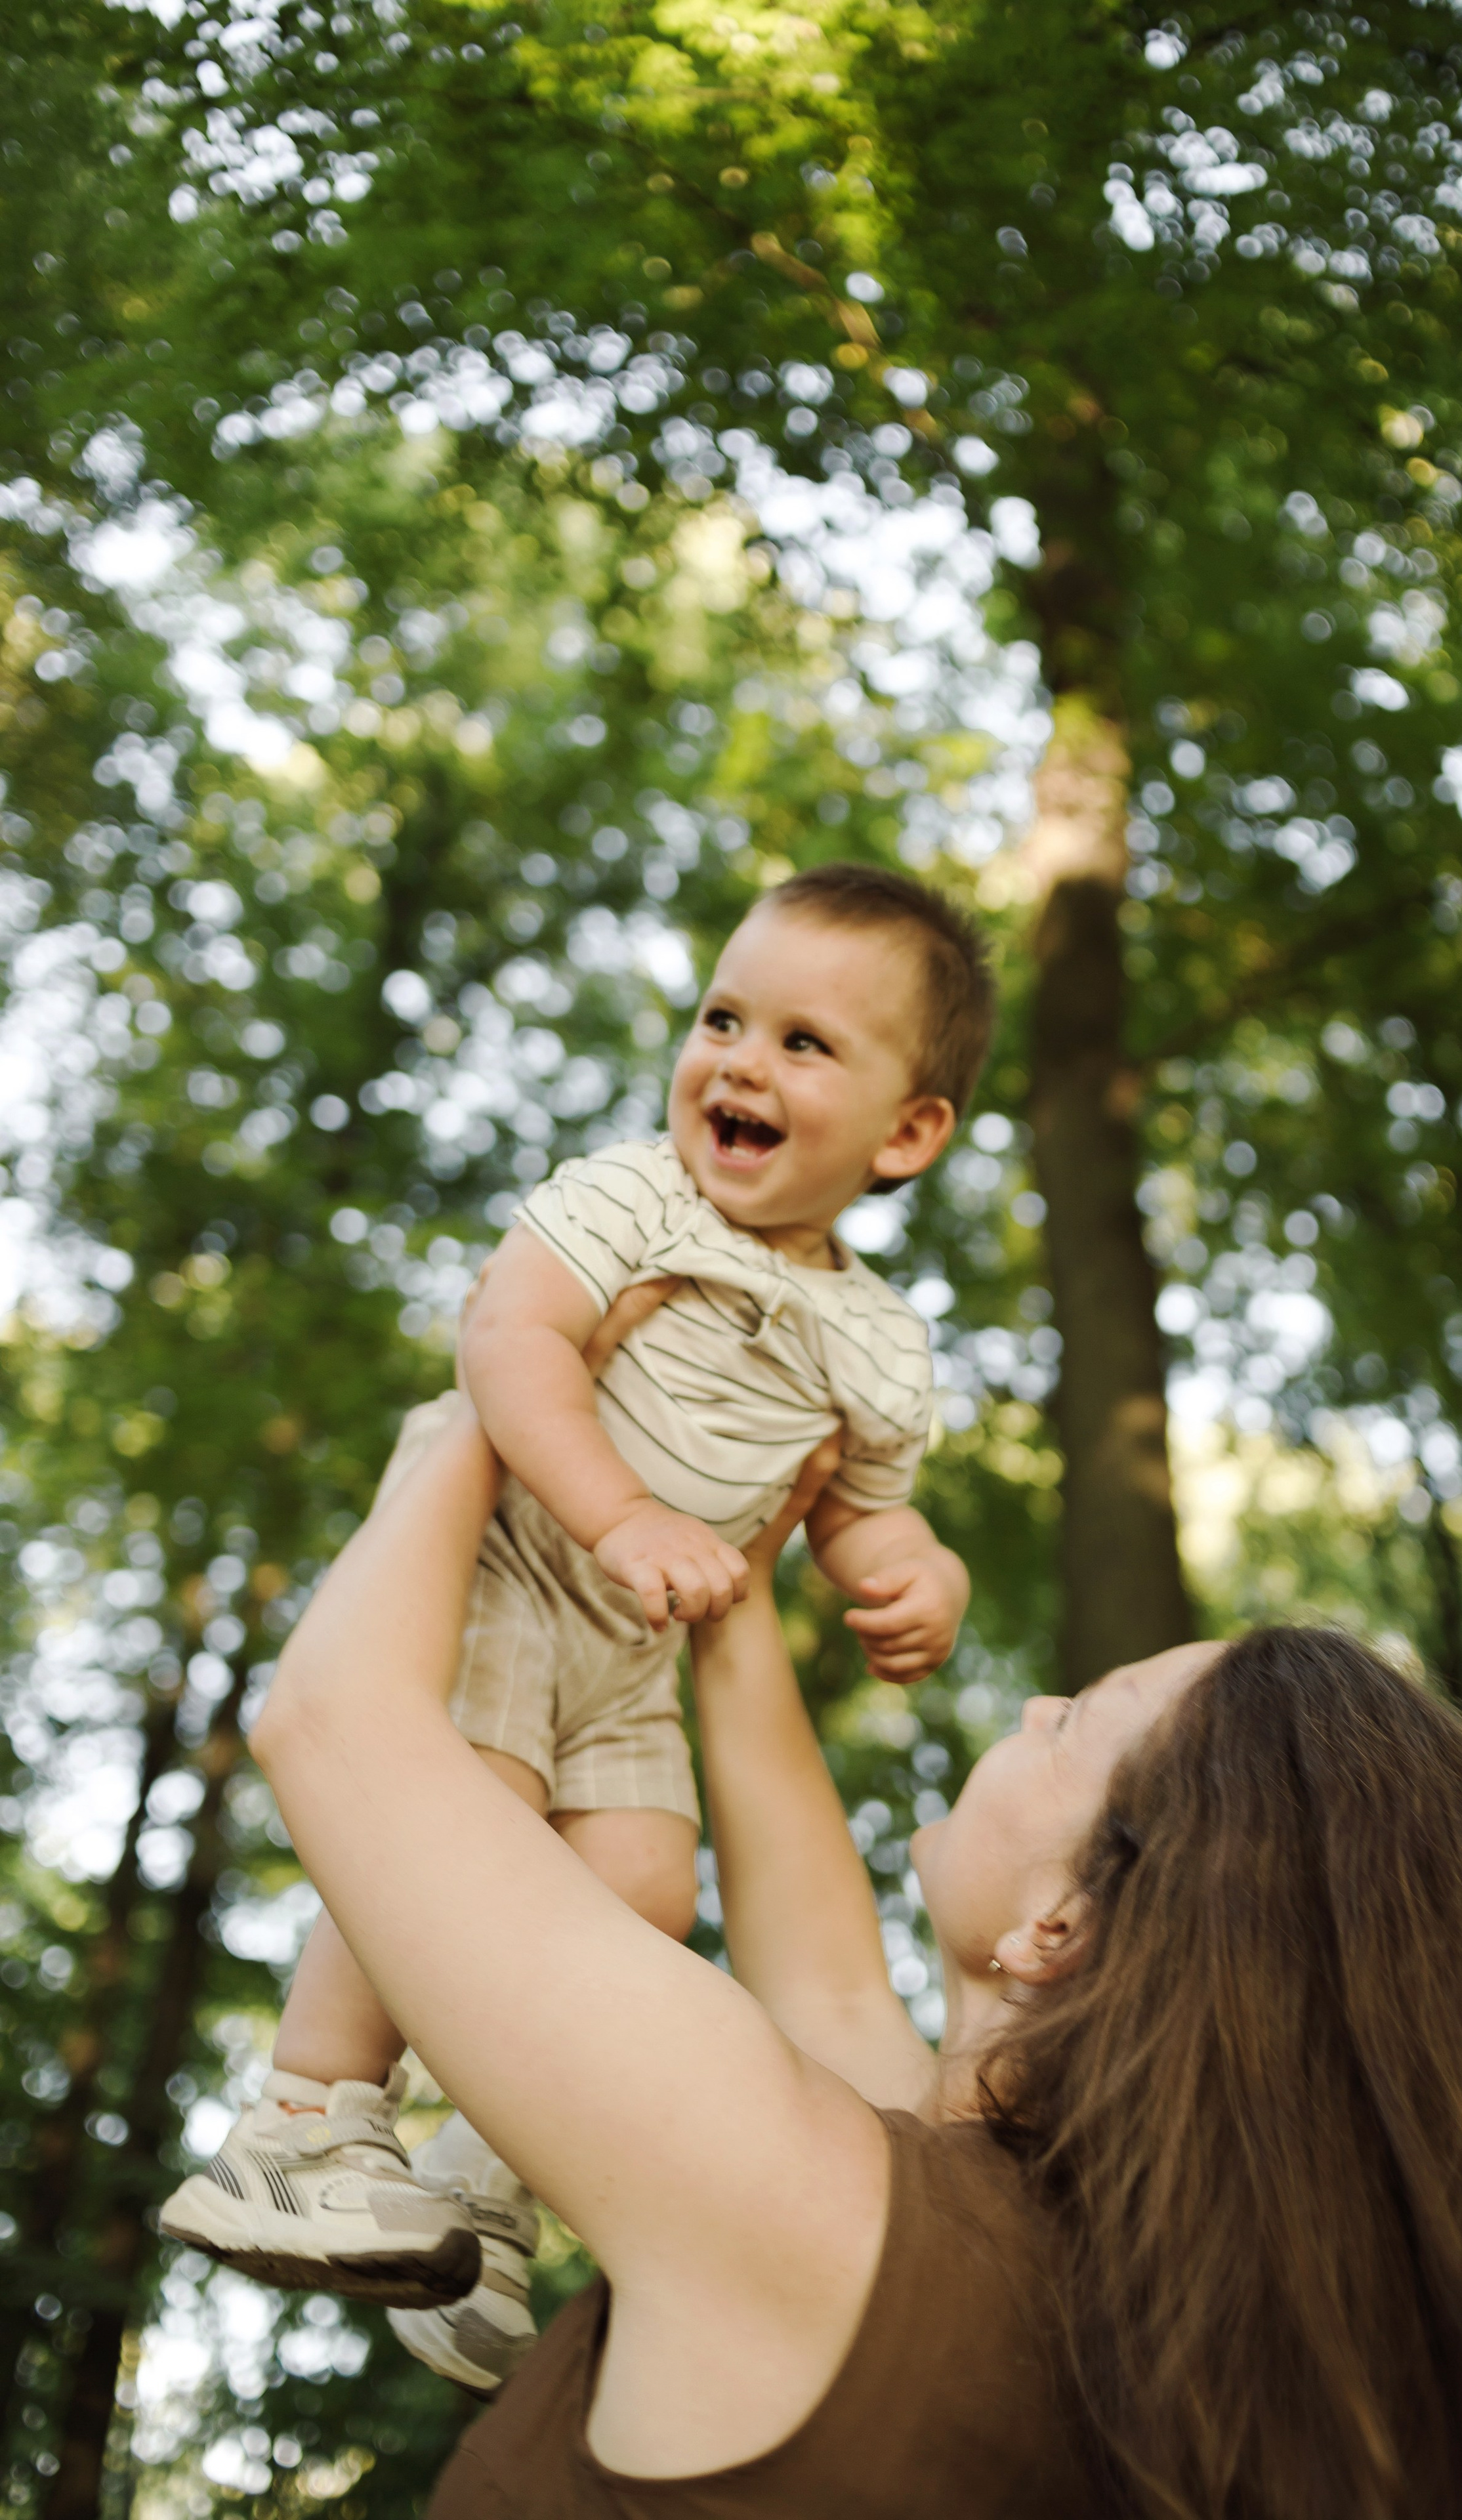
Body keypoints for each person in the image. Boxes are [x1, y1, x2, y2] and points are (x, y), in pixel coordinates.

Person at [243, 1364, 1462, 2519]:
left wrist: (501, 1395)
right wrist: (727, 1556)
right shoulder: (1046, 2277)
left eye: (1070, 1720)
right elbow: (818, 1968)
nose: (1027, 1709)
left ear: (1059, 1922)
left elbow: (334, 1723)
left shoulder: (809, 2204)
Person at [159, 861, 986, 2388]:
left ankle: (483, 2172)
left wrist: (911, 1565)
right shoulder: (633, 1195)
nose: (735, 1060)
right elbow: (509, 1334)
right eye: (721, 1016)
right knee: (465, 1816)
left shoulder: (878, 1338)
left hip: (634, 1652)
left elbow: (847, 1505)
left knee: (645, 1892)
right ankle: (305, 2116)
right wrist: (619, 1511)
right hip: (522, 1566)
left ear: (907, 1133)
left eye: (803, 1044)